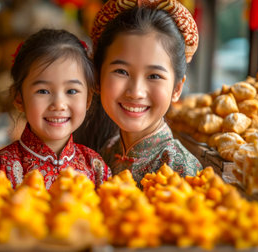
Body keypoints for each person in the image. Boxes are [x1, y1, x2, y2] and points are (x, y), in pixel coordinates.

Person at [76, 0, 202, 184]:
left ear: (176, 89)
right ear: (98, 77)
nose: (136, 92)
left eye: (154, 76)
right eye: (121, 72)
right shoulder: (106, 153)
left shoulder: (181, 170)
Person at [0, 28, 111, 189]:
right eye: (43, 91)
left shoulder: (96, 168)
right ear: (19, 98)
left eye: (72, 91)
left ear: (88, 99)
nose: (59, 104)